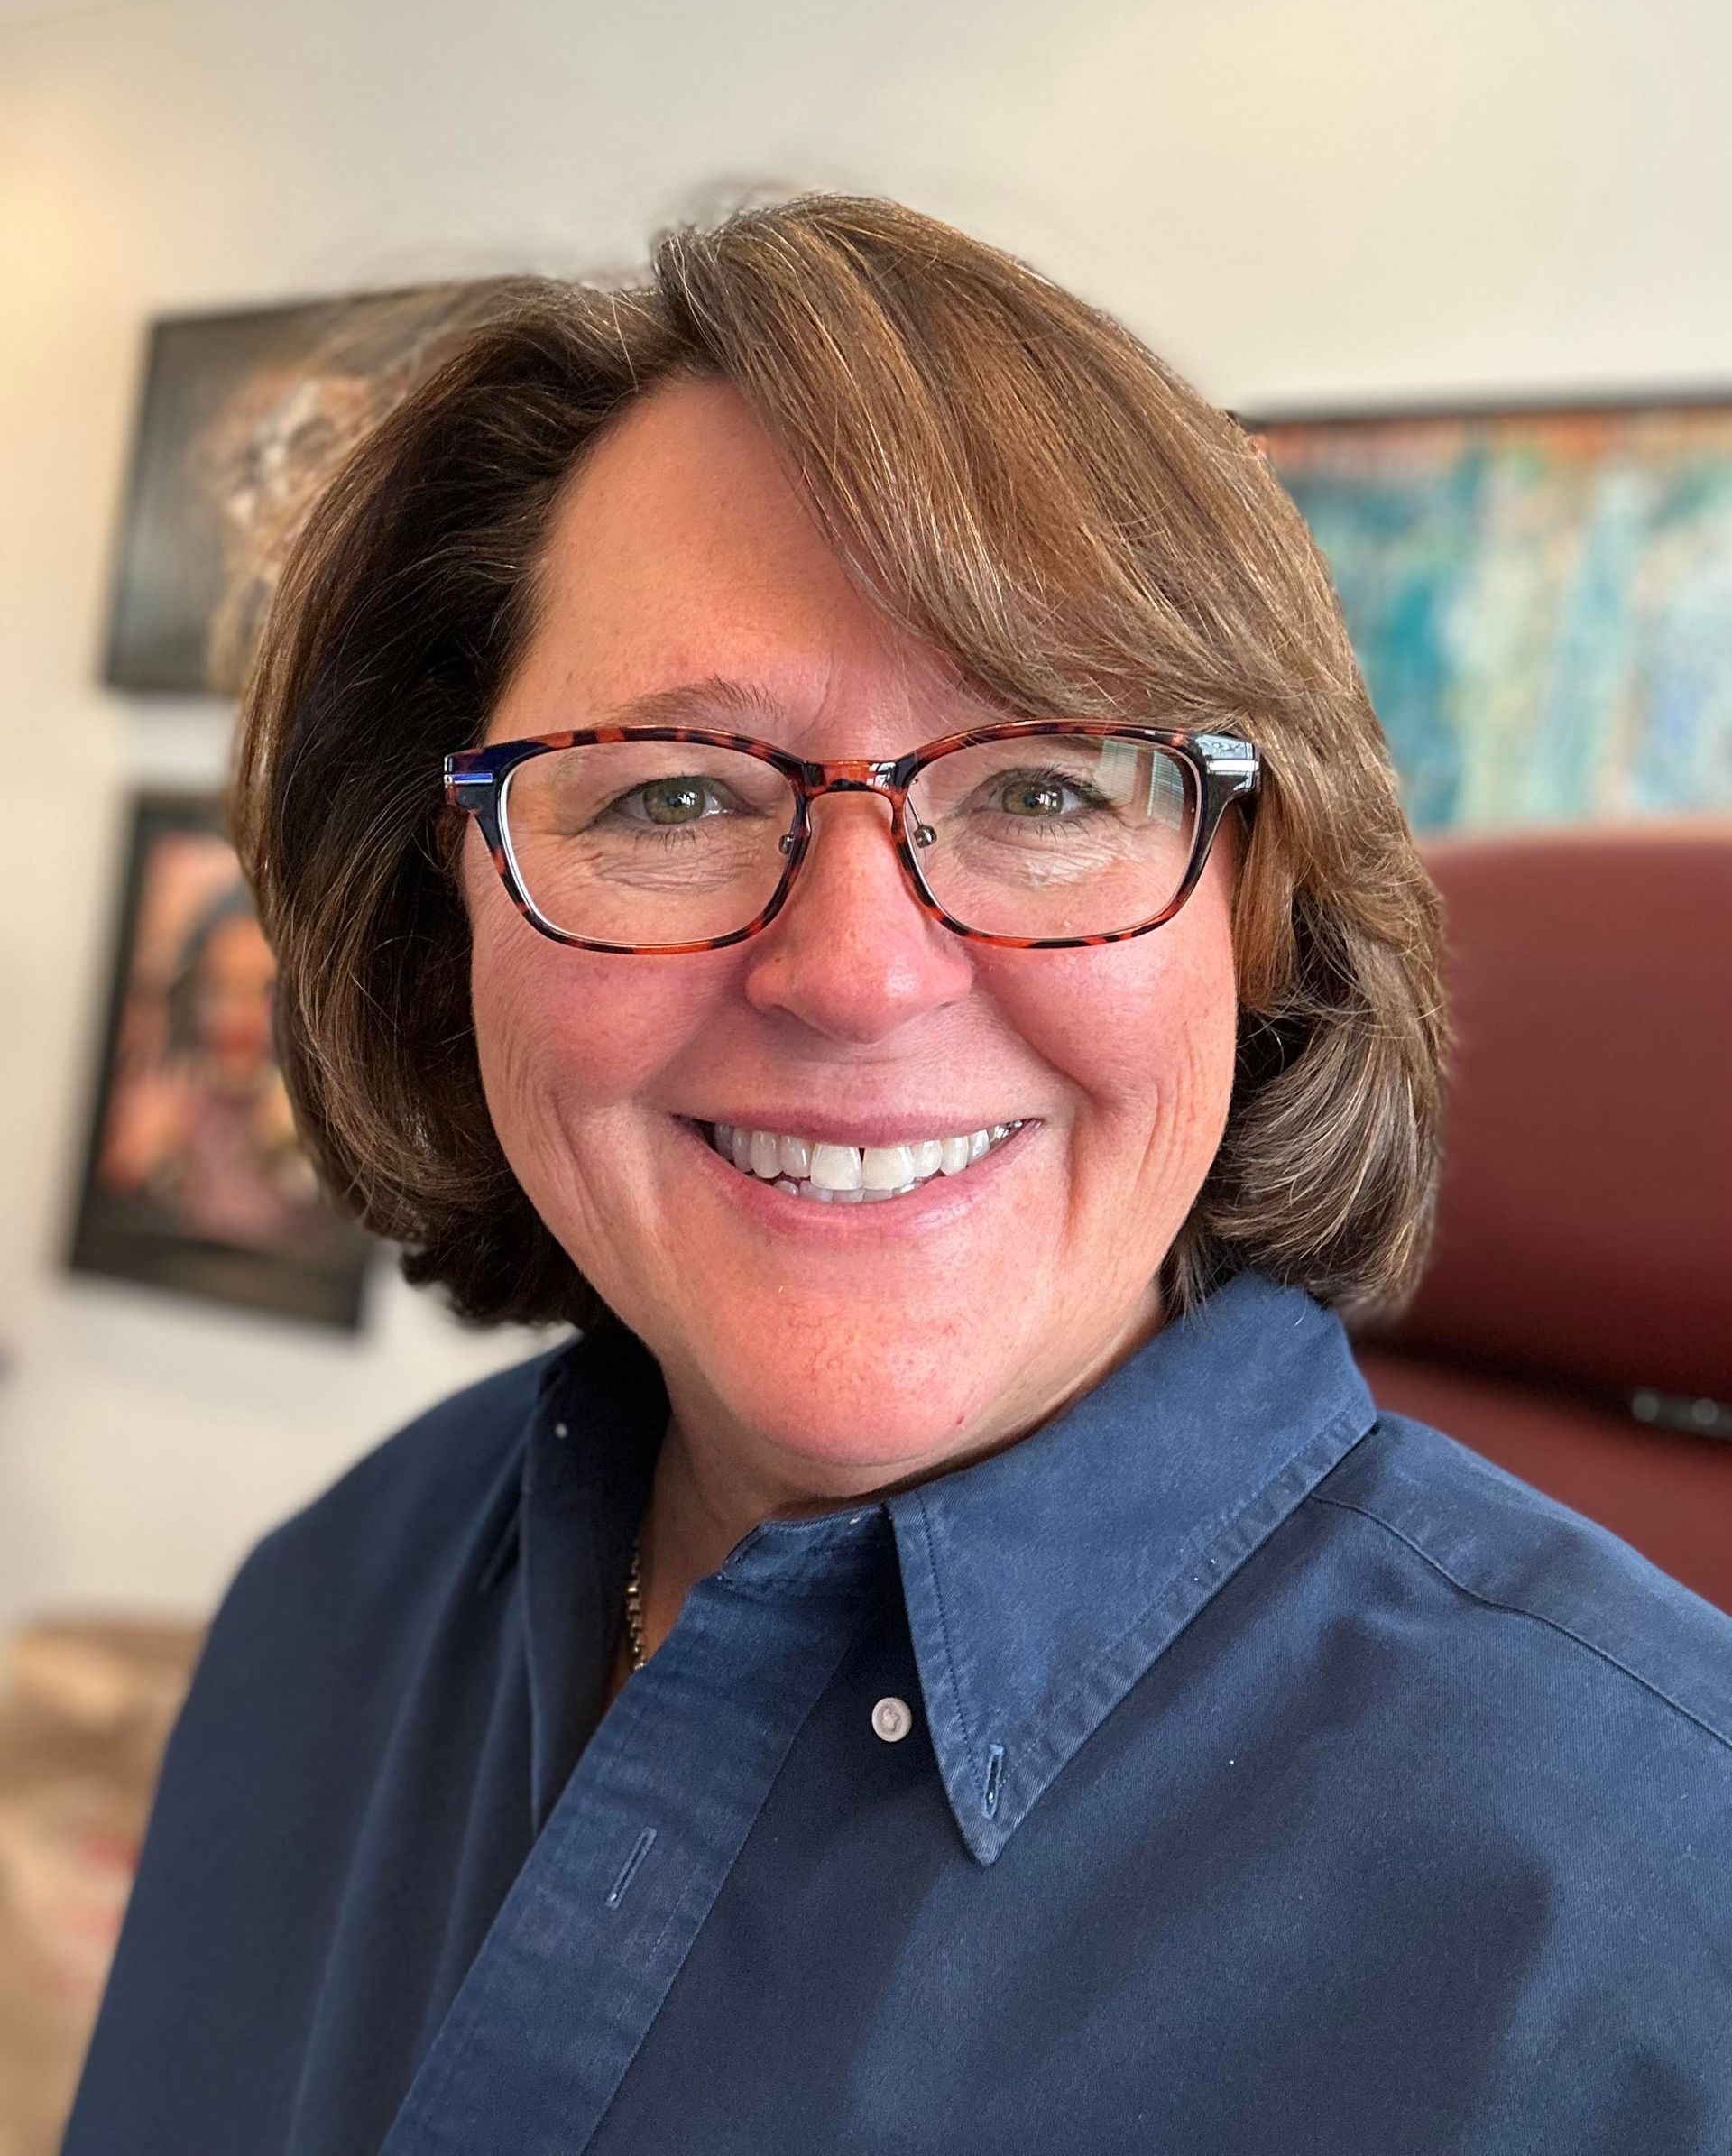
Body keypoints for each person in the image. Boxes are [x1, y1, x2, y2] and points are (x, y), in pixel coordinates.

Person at [60, 196, 1732, 2156]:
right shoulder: (325, 1605)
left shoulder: (1659, 1925)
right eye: (670, 791)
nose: (856, 976)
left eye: (1044, 787)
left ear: (1263, 911)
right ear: (450, 919)